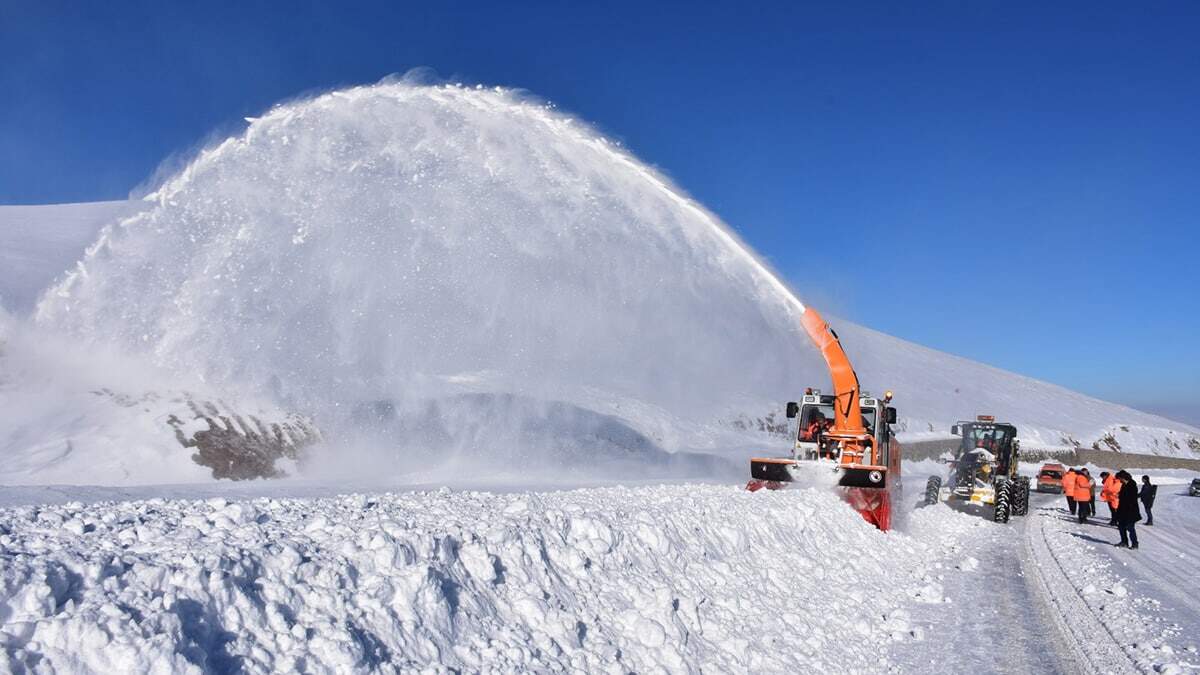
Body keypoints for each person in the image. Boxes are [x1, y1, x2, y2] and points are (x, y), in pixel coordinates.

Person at [1114, 470, 1141, 549]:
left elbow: (1131, 499)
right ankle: (1124, 542)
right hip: (1122, 510)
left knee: (1130, 527)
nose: (1119, 480)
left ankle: (1135, 544)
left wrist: (1122, 497)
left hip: (1130, 511)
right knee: (1121, 526)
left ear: (1123, 477)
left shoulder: (1132, 486)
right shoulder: (1124, 485)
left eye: (1120, 478)